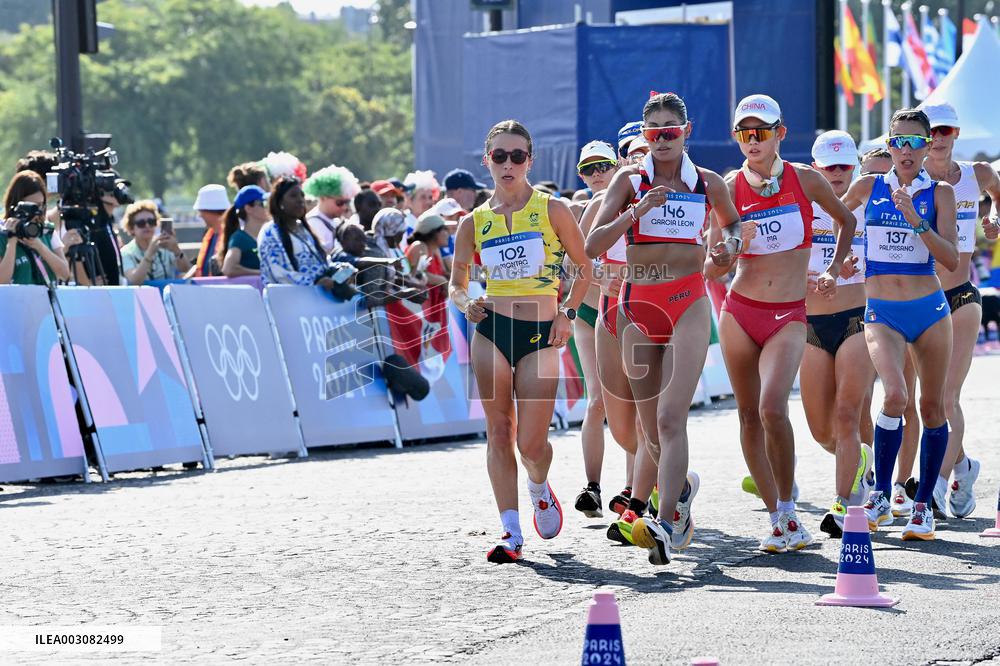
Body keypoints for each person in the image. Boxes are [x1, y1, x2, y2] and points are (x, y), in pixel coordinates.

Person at [587, 93, 742, 565]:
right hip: (639, 304)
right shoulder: (628, 180)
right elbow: (593, 243)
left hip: (689, 301)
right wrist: (635, 210)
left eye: (670, 129)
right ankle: (680, 497)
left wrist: (726, 249)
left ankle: (666, 520)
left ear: (687, 130)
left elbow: (733, 227)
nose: (662, 137)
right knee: (649, 428)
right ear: (644, 133)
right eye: (653, 130)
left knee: (673, 418)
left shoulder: (709, 183)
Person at [708, 94, 857, 553]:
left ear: (780, 134)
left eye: (762, 132)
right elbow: (712, 268)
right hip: (740, 311)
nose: (753, 141)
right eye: (744, 133)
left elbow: (846, 220)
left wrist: (832, 269)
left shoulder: (805, 179)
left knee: (774, 407)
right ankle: (777, 519)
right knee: (749, 414)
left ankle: (790, 506)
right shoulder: (729, 186)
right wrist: (731, 247)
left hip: (789, 314)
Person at [449, 119, 593, 563]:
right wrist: (465, 302)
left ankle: (538, 487)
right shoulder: (474, 222)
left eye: (517, 156)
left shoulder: (553, 209)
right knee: (498, 432)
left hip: (540, 333)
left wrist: (568, 314)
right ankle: (510, 531)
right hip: (491, 331)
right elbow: (456, 283)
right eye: (499, 156)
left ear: (529, 161)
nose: (508, 164)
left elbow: (586, 270)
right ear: (486, 161)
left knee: (532, 443)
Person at [840, 108, 959, 541]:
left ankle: (922, 505)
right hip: (882, 313)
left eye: (914, 142)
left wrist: (916, 221)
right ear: (888, 145)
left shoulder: (940, 193)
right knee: (893, 395)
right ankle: (878, 496)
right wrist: (842, 259)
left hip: (929, 310)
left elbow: (948, 259)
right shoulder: (870, 185)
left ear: (928, 147)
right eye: (898, 141)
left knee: (931, 408)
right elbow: (836, 214)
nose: (905, 150)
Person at [913, 103, 1000, 519]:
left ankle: (931, 489)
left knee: (947, 397)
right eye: (931, 130)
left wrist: (994, 216)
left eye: (946, 129)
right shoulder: (908, 180)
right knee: (926, 400)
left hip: (962, 294)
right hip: (918, 299)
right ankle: (962, 464)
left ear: (956, 133)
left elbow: (997, 191)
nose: (939, 137)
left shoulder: (976, 174)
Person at [800, 131, 875, 538]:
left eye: (845, 165)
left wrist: (854, 268)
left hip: (858, 317)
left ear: (855, 166)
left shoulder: (867, 206)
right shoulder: (799, 207)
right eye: (830, 167)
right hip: (811, 325)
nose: (838, 173)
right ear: (816, 169)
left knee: (849, 412)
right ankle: (864, 467)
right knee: (822, 431)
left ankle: (844, 503)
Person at [567, 140, 623, 519]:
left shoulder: (636, 199)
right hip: (590, 314)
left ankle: (638, 490)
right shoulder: (582, 209)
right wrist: (600, 279)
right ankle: (592, 487)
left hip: (633, 311)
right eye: (589, 169)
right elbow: (572, 266)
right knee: (597, 400)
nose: (597, 174)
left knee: (633, 404)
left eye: (603, 165)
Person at [258, 176, 345, 294]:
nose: (300, 200)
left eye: (302, 196)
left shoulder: (304, 229)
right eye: (293, 196)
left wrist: (340, 271)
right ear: (279, 202)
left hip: (319, 295)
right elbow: (278, 272)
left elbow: (321, 263)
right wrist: (314, 282)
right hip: (290, 299)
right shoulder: (270, 231)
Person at [1, 171, 71, 285]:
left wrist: (40, 247)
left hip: (45, 301)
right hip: (15, 301)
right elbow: (2, 281)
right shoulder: (2, 234)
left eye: (40, 205)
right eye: (31, 206)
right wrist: (11, 243)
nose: (36, 212)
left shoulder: (47, 231)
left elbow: (64, 274)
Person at [120, 200, 191, 285]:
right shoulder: (126, 253)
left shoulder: (165, 245)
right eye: (141, 223)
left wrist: (176, 250)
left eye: (151, 222)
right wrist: (149, 254)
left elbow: (186, 270)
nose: (147, 226)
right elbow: (134, 281)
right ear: (131, 228)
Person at [304, 164, 361, 254]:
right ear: (323, 197)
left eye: (347, 202)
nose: (344, 207)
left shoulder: (337, 221)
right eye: (339, 203)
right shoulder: (312, 223)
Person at [217, 185, 270, 277]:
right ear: (248, 208)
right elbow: (228, 269)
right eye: (263, 204)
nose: (268, 208)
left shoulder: (269, 236)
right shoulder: (239, 238)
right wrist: (262, 273)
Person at [188, 184, 230, 278]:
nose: (199, 215)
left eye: (200, 211)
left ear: (210, 211)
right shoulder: (210, 235)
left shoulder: (230, 237)